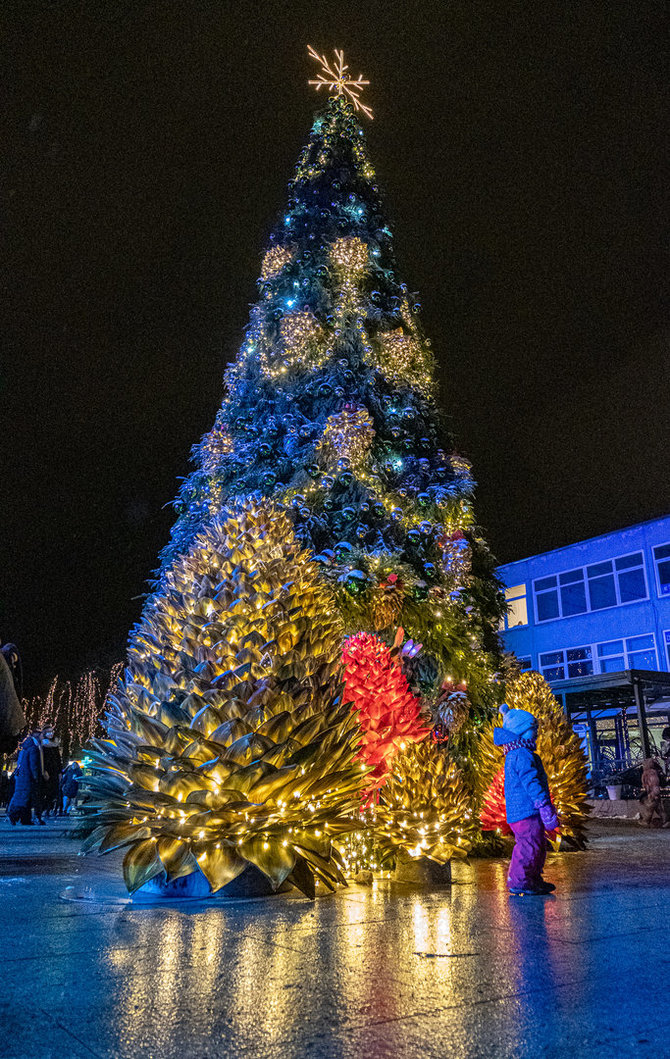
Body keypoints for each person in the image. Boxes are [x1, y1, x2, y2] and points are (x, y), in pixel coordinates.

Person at [494, 704, 560, 896]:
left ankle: (532, 878)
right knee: (528, 845)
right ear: (521, 731)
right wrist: (542, 803)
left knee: (536, 844)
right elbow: (531, 782)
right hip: (525, 811)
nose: (537, 733)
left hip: (525, 811)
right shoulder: (521, 754)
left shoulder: (520, 753)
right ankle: (520, 880)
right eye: (533, 729)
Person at [7, 730, 45, 825]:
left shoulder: (25, 748)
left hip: (22, 777)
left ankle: (25, 819)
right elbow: (33, 764)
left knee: (24, 798)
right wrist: (36, 776)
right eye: (42, 735)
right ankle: (13, 815)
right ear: (37, 736)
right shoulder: (33, 748)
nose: (43, 737)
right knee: (24, 798)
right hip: (28, 778)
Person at [639, 757, 668, 827]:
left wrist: (650, 792)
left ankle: (646, 821)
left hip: (652, 792)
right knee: (658, 808)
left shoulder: (648, 773)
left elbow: (650, 784)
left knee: (650, 807)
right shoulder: (654, 772)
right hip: (656, 791)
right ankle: (665, 821)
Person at [41, 727, 62, 815]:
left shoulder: (55, 745)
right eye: (48, 732)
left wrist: (60, 772)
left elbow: (58, 759)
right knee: (47, 790)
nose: (51, 733)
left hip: (55, 771)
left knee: (54, 791)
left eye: (52, 731)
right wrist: (44, 769)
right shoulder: (43, 745)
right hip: (47, 771)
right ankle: (44, 809)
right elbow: (43, 759)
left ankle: (48, 808)